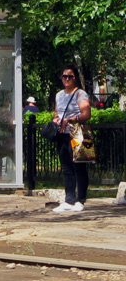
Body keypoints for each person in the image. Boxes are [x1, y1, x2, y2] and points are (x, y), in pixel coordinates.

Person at [51, 64, 91, 213]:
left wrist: (71, 119)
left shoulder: (80, 94)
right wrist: (56, 120)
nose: (67, 79)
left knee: (78, 166)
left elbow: (86, 114)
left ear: (75, 78)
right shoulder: (59, 95)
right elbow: (57, 112)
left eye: (70, 76)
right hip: (62, 134)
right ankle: (69, 199)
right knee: (66, 167)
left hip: (75, 133)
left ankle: (80, 200)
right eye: (64, 76)